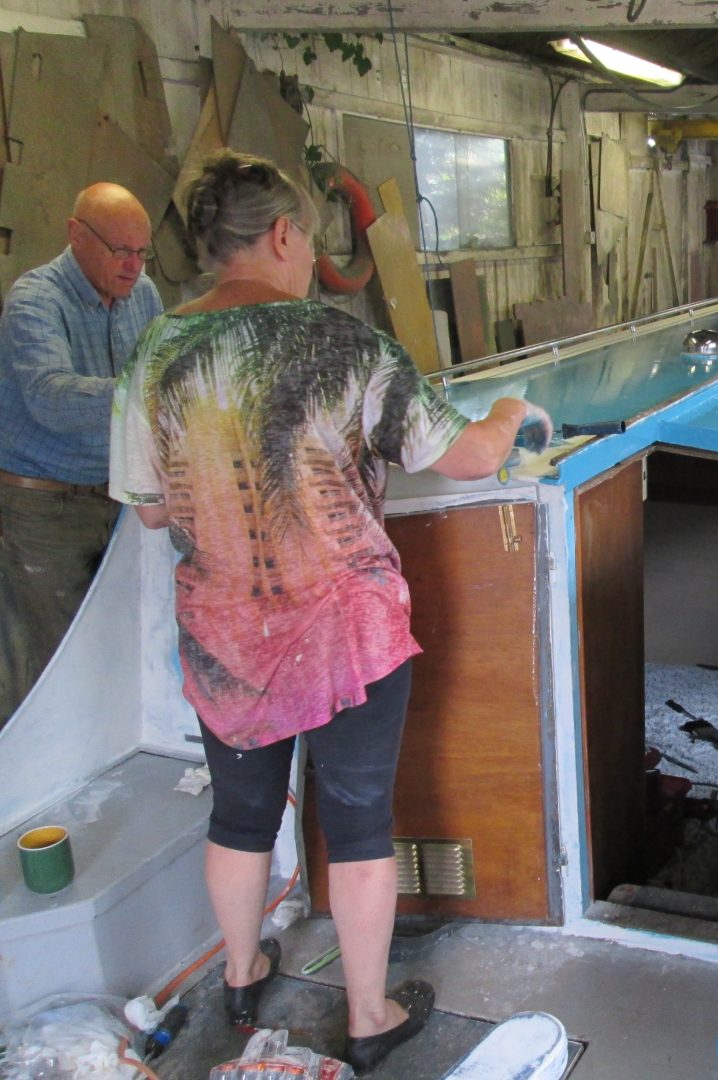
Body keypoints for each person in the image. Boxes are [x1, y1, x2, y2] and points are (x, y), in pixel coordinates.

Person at [109, 149, 552, 1073]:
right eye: (308, 237)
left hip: (225, 635)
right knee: (355, 824)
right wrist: (510, 411)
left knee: (240, 816)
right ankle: (367, 1012)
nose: (311, 256)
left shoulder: (151, 353)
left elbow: (152, 508)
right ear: (281, 235)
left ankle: (239, 975)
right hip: (348, 631)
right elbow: (464, 457)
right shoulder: (346, 343)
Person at [0, 183, 163, 721]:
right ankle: (27, 788)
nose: (133, 265)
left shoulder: (145, 296)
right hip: (44, 507)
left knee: (120, 638)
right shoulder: (36, 300)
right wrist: (150, 391)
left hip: (118, 498)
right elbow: (51, 397)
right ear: (76, 235)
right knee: (47, 660)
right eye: (120, 251)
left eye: (142, 251)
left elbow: (157, 378)